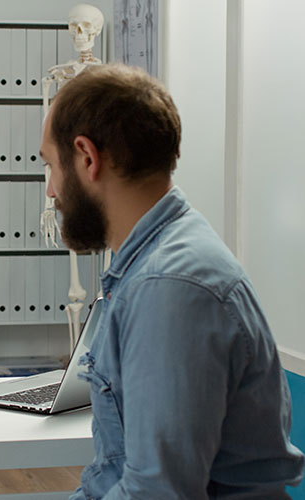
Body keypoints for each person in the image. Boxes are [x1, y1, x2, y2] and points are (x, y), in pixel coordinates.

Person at [40, 64, 304, 499]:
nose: (51, 191)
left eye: (50, 166)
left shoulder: (169, 289)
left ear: (87, 158)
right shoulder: (155, 262)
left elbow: (157, 493)